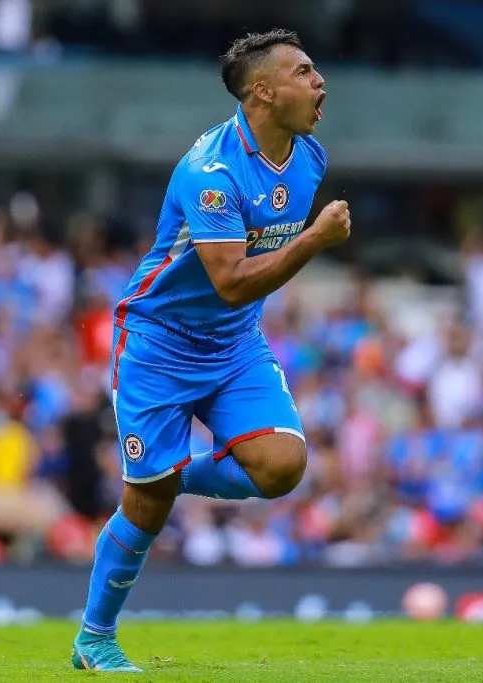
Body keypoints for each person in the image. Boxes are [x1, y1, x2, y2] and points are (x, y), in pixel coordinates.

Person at [71, 29, 350, 672]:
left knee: (282, 467)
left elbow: (249, 279)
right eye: (304, 72)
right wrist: (313, 239)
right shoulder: (211, 173)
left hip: (233, 343)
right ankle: (94, 637)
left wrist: (302, 243)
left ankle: (165, 474)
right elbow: (229, 281)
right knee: (146, 509)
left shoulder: (308, 157)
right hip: (159, 343)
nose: (319, 82)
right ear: (263, 91)